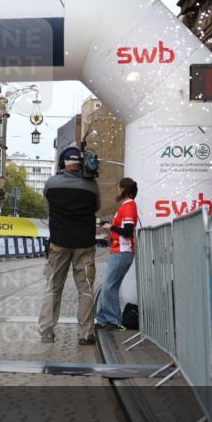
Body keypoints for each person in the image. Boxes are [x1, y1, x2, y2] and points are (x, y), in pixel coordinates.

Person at [38, 144, 100, 345]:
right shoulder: (91, 186)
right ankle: (85, 334)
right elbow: (97, 206)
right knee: (86, 289)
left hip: (59, 244)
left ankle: (47, 330)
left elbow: (46, 197)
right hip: (84, 244)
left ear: (62, 163)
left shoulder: (52, 183)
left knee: (53, 287)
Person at [96, 178, 140, 330]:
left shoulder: (128, 207)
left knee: (109, 286)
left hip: (122, 251)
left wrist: (111, 227)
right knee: (110, 286)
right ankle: (104, 318)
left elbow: (127, 231)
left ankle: (112, 320)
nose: (117, 192)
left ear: (123, 190)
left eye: (118, 189)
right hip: (119, 250)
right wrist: (110, 233)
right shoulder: (126, 206)